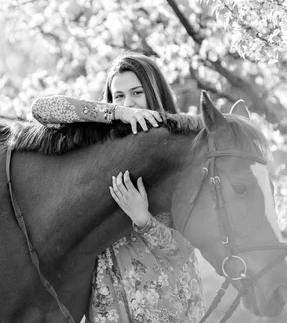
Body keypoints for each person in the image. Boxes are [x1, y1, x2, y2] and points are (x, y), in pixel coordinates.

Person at [31, 52, 205, 323]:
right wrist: (117, 113)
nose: (129, 102)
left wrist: (144, 220)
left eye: (137, 93)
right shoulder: (102, 147)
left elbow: (186, 250)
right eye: (119, 95)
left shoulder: (177, 149)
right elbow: (42, 109)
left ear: (154, 92)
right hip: (111, 309)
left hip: (167, 306)